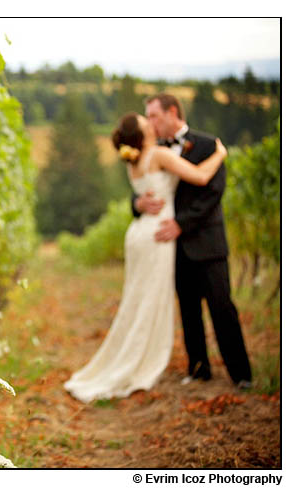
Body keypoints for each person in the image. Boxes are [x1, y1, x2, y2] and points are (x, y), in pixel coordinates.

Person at [63, 111, 228, 404]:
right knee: (149, 299)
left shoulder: (134, 160)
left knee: (138, 298)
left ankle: (131, 357)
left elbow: (143, 193)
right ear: (142, 134)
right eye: (145, 121)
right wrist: (220, 153)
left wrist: (139, 203)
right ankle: (137, 361)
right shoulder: (159, 154)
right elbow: (202, 176)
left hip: (140, 233)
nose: (151, 123)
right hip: (159, 234)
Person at [138, 94, 252, 389]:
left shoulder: (207, 145)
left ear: (172, 112)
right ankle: (199, 368)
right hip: (174, 247)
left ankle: (241, 374)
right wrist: (137, 203)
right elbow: (142, 188)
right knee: (188, 311)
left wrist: (181, 223)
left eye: (154, 116)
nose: (151, 123)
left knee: (222, 307)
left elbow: (213, 193)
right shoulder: (153, 151)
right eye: (147, 118)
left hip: (208, 242)